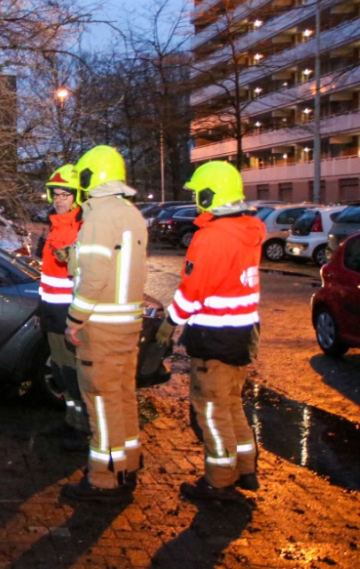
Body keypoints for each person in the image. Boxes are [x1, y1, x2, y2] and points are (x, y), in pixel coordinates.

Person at [155, 161, 263, 501]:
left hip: (213, 338)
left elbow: (193, 289)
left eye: (197, 194)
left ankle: (219, 479)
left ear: (209, 195)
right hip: (241, 335)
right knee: (232, 404)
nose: (196, 200)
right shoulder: (249, 231)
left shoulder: (211, 237)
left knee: (212, 411)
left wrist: (170, 322)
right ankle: (246, 469)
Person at [61, 145, 148, 503]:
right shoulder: (131, 213)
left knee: (100, 400)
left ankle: (104, 479)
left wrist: (74, 319)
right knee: (123, 396)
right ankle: (127, 464)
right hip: (128, 325)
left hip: (102, 326)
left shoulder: (98, 217)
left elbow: (94, 277)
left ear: (89, 177)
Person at [37, 164, 88, 452]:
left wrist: (77, 319)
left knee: (73, 372)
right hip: (52, 313)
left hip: (70, 316)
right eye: (55, 194)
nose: (59, 199)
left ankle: (82, 430)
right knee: (60, 370)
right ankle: (71, 420)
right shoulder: (54, 226)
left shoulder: (82, 228)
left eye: (65, 194)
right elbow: (48, 278)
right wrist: (40, 311)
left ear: (76, 196)